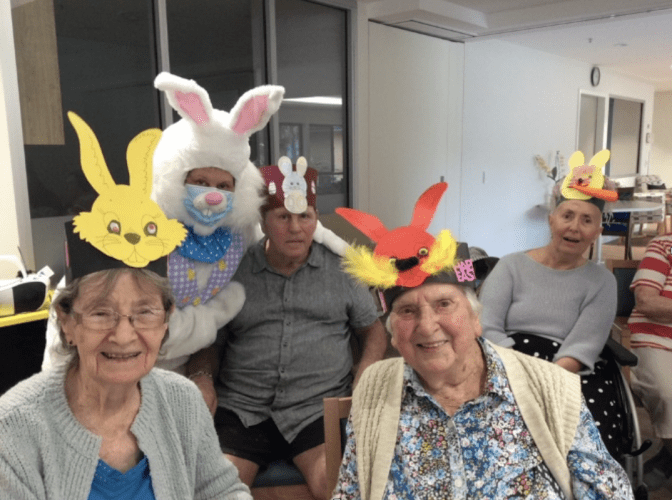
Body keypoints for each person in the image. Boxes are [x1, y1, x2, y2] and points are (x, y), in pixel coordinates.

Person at [0, 113, 251, 499]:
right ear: (67, 322)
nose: (123, 334)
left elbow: (220, 489)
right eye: (102, 312)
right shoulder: (14, 426)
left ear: (166, 320)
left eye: (144, 312)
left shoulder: (182, 401)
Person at [332, 182, 633, 499]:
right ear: (393, 335)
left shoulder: (554, 391)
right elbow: (350, 490)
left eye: (444, 304)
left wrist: (532, 373)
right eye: (407, 311)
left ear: (475, 318)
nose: (427, 326)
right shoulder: (374, 393)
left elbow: (608, 491)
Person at [187, 159, 387, 500]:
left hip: (315, 409)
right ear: (264, 221)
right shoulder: (233, 269)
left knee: (340, 489)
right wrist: (202, 376)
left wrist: (365, 373)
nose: (295, 228)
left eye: (305, 216)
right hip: (243, 408)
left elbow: (374, 331)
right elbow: (211, 340)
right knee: (214, 493)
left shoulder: (343, 269)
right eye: (283, 217)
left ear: (316, 219)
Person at [479, 149, 621, 458]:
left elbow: (583, 344)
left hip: (569, 369)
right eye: (567, 216)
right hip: (506, 361)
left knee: (586, 434)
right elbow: (487, 325)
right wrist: (519, 374)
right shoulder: (511, 265)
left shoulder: (602, 282)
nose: (574, 227)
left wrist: (547, 383)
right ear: (551, 220)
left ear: (597, 232)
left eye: (587, 221)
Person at [627, 234, 672, 490]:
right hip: (656, 337)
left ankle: (667, 458)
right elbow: (646, 300)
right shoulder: (664, 245)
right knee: (668, 394)